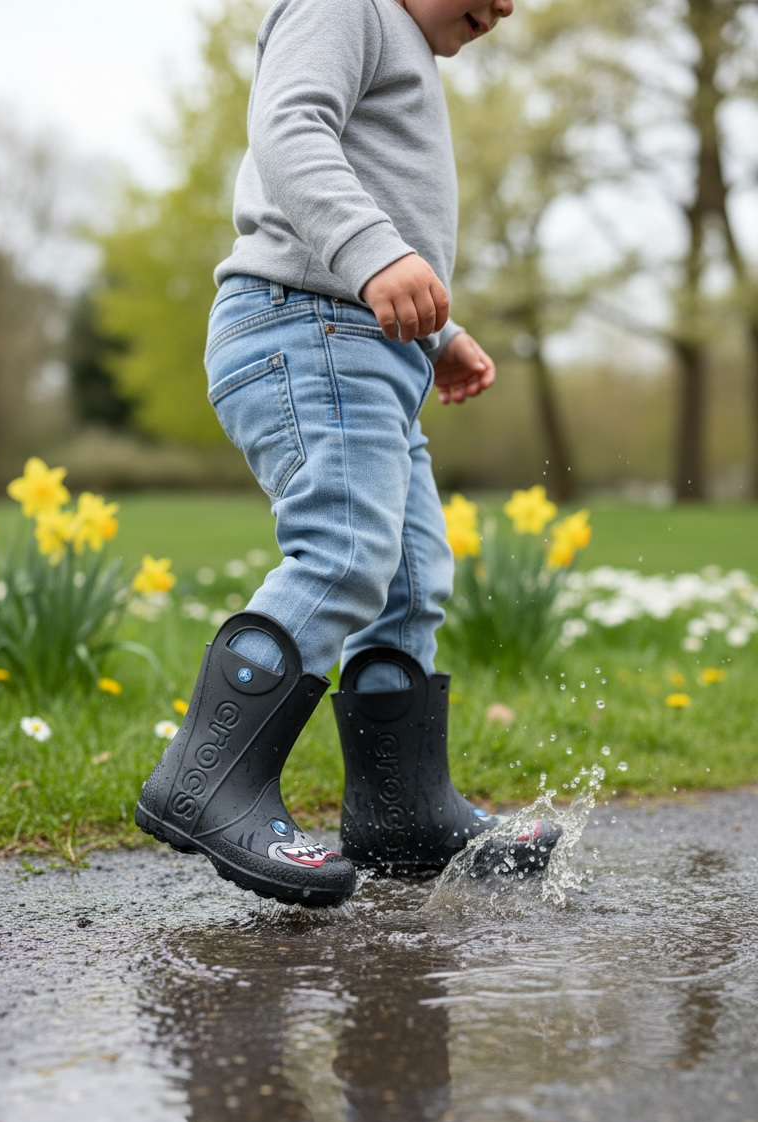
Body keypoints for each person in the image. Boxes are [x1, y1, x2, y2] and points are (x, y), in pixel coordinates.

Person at [135, 0, 558, 907]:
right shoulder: (345, 5)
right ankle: (207, 779)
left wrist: (438, 333)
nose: (507, 7)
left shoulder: (404, 42)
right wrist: (374, 257)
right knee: (348, 553)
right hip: (305, 327)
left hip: (363, 343)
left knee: (409, 577)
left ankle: (401, 812)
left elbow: (382, 210)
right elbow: (289, 128)